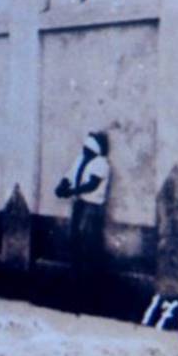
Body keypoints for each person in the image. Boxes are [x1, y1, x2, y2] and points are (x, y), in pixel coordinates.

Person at [54, 131, 112, 311]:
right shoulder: (81, 160)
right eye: (84, 148)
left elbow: (91, 185)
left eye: (88, 149)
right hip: (79, 204)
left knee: (88, 243)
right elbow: (70, 175)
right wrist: (62, 185)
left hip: (92, 207)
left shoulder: (101, 164)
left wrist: (71, 192)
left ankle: (90, 290)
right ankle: (75, 286)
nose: (84, 151)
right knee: (75, 242)